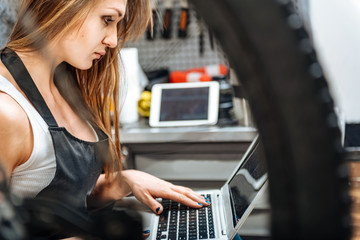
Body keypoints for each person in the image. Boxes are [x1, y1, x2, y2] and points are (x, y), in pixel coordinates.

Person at [0, 0, 209, 236]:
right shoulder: (6, 110)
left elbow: (61, 198)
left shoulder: (64, 83)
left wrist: (120, 182)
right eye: (107, 20)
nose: (113, 40)